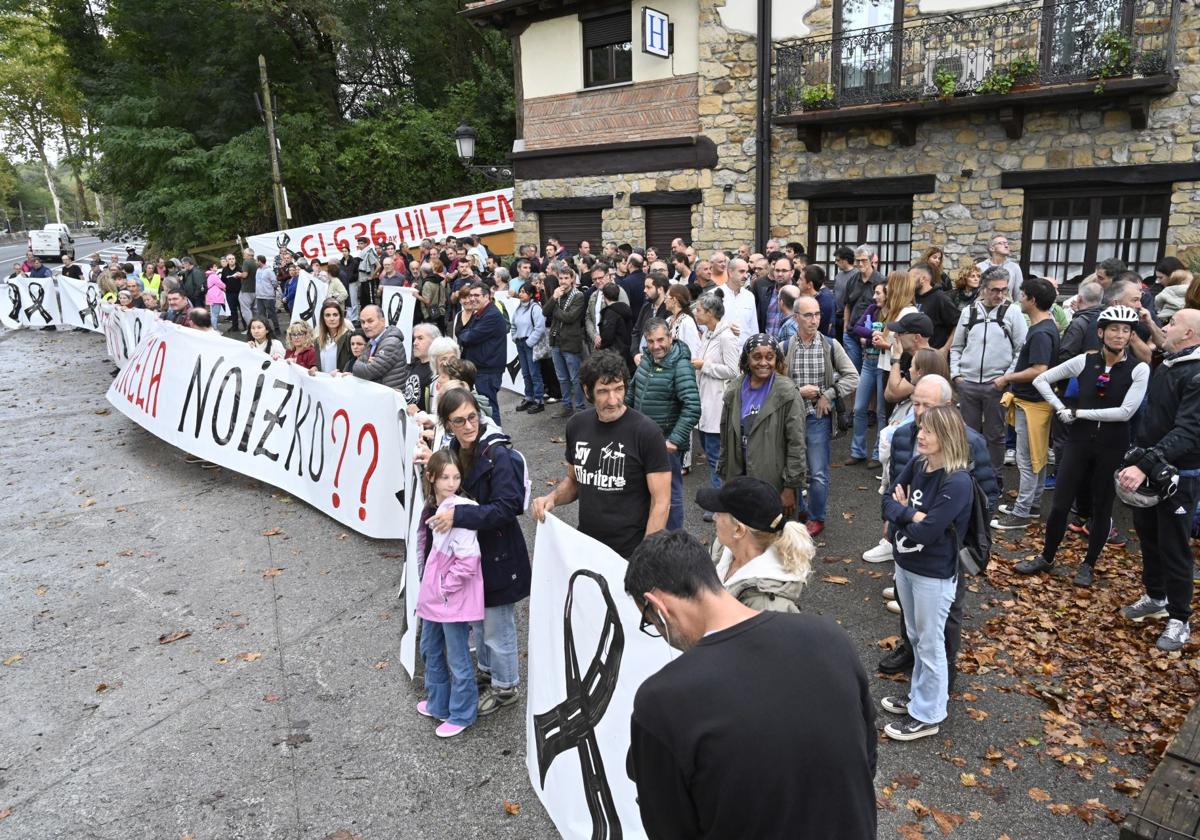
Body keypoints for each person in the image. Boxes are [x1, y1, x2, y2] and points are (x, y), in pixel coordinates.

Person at [625, 529, 876, 840]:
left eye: (650, 623)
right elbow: (865, 758)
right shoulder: (830, 637)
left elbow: (670, 828)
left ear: (658, 607)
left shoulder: (661, 701)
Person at [1013, 306, 1148, 586]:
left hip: (1113, 444)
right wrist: (1060, 406)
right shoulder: (1084, 361)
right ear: (1101, 332)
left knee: (1102, 507)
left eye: (1126, 330)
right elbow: (1041, 379)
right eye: (1113, 329)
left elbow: (1125, 412)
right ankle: (1047, 557)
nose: (1119, 335)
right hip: (1078, 442)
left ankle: (1088, 564)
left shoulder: (1139, 368)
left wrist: (1078, 413)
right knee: (1061, 503)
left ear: (1131, 335)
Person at [426, 388, 531, 714]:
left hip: (499, 556)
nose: (469, 425)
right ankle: (488, 675)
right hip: (473, 558)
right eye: (459, 421)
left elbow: (508, 507)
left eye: (472, 417)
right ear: (447, 424)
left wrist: (459, 515)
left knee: (497, 628)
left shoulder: (496, 454)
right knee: (480, 623)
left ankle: (505, 687)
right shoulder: (456, 449)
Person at [880, 404, 973, 741]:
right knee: (916, 637)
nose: (920, 435)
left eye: (929, 431)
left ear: (946, 436)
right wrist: (909, 513)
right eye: (921, 428)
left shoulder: (957, 481)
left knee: (931, 642)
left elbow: (927, 532)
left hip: (933, 574)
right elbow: (886, 502)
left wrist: (905, 512)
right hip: (905, 566)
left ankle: (929, 714)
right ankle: (920, 699)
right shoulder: (919, 463)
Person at [531, 350, 671, 559]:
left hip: (630, 553)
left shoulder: (647, 432)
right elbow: (574, 481)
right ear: (587, 391)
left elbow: (661, 502)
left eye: (619, 389)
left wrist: (645, 557)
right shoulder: (577, 426)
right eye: (603, 391)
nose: (613, 400)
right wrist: (551, 498)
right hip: (588, 547)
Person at [1117, 309, 1200, 651]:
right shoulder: (1170, 362)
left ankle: (1180, 619)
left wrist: (1146, 463)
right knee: (1149, 538)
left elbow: (1189, 431)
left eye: (1173, 324)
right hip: (1151, 470)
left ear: (1189, 334)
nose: (1165, 327)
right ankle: (1156, 596)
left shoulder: (1196, 374)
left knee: (1175, 547)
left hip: (1179, 476)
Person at [414, 449, 483, 738]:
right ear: (431, 477)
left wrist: (444, 588)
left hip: (450, 600)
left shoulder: (459, 511)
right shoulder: (433, 508)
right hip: (435, 598)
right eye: (445, 477)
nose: (451, 483)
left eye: (455, 477)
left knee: (457, 656)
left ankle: (463, 712)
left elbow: (468, 561)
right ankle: (439, 702)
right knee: (430, 648)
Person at [784, 295, 859, 537]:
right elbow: (775, 385)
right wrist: (798, 392)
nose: (814, 320)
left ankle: (817, 517)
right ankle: (802, 511)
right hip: (791, 418)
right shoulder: (784, 347)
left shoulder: (830, 345)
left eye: (817, 314)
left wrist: (829, 394)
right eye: (808, 315)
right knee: (792, 469)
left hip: (818, 417)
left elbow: (853, 377)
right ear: (795, 318)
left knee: (817, 472)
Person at [992, 278, 1060, 530]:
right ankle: (1031, 506)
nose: (1019, 299)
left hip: (1033, 406)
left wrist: (1006, 378)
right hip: (1033, 403)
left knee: (1028, 459)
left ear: (1032, 300)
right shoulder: (1045, 326)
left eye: (1022, 295)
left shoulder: (1042, 332)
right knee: (1037, 457)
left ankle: (1021, 513)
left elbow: (1039, 369)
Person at [718, 334, 807, 519]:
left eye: (769, 357)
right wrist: (725, 477)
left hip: (773, 482)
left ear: (777, 359)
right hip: (740, 478)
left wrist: (790, 487)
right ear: (747, 359)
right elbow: (725, 440)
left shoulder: (787, 392)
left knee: (774, 539)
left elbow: (796, 444)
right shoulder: (734, 391)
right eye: (757, 357)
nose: (763, 363)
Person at [950, 266, 1028, 474]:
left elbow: (1022, 349)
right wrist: (956, 376)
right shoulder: (969, 312)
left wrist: (1005, 378)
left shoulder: (1013, 312)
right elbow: (957, 346)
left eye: (1003, 290)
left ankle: (994, 476)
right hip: (968, 383)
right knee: (968, 433)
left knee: (995, 435)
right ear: (984, 289)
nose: (999, 294)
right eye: (994, 290)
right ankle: (969, 473)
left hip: (996, 385)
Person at [626, 319, 701, 531]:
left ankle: (674, 543)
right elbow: (632, 393)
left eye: (660, 340)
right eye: (651, 341)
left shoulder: (681, 366)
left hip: (665, 446)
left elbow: (693, 406)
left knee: (670, 497)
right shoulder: (647, 360)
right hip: (640, 443)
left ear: (670, 337)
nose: (656, 346)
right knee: (645, 493)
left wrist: (674, 440)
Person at [699, 477, 815, 612]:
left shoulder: (766, 607)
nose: (714, 517)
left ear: (738, 530)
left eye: (719, 514)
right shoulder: (724, 548)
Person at [692, 291, 741, 513]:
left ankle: (721, 506)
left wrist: (705, 366)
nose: (695, 313)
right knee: (711, 453)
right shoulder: (708, 334)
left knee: (715, 457)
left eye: (699, 310)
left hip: (716, 405)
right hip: (704, 403)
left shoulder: (726, 337)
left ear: (711, 313)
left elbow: (733, 370)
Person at [454, 281, 507, 426]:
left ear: (487, 296)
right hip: (480, 368)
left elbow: (467, 337)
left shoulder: (491, 315)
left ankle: (497, 439)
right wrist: (465, 334)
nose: (472, 299)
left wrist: (464, 333)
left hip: (488, 370)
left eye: (476, 295)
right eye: (471, 295)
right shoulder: (480, 313)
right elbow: (464, 334)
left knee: (489, 407)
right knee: (482, 406)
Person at [848, 280, 887, 465]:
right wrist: (872, 336)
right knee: (858, 408)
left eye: (879, 293)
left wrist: (867, 338)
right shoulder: (872, 309)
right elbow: (857, 328)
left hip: (883, 365)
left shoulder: (894, 314)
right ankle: (858, 451)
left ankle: (879, 454)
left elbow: (889, 341)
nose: (874, 296)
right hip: (868, 363)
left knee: (881, 411)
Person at [543, 265, 588, 417]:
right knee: (562, 377)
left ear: (572, 279)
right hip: (556, 340)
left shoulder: (578, 295)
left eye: (566, 278)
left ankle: (580, 408)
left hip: (570, 341)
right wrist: (554, 298)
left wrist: (555, 309)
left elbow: (570, 317)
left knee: (575, 378)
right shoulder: (557, 294)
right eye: (560, 278)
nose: (563, 281)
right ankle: (567, 406)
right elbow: (544, 311)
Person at [839, 245, 885, 372]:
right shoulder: (852, 280)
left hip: (871, 336)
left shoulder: (881, 281)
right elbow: (847, 305)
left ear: (871, 260)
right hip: (851, 334)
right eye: (857, 260)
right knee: (853, 373)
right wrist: (845, 330)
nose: (860, 263)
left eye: (864, 260)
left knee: (871, 374)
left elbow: (884, 309)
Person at [349, 305, 410, 392]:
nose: (365, 326)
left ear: (382, 321)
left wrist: (361, 365)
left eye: (370, 321)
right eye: (363, 322)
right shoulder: (372, 341)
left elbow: (367, 372)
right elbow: (359, 366)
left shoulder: (392, 343)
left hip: (390, 401)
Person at [510, 283, 546, 414]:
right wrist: (514, 337)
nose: (520, 294)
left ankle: (539, 400)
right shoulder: (519, 308)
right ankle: (529, 397)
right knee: (525, 373)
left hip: (530, 344)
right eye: (520, 291)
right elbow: (513, 323)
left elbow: (540, 327)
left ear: (530, 294)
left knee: (534, 373)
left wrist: (529, 342)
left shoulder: (535, 308)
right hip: (520, 343)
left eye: (524, 292)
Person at [911, 262, 959, 352]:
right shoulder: (912, 297)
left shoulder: (940, 298)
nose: (909, 281)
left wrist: (945, 349)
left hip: (931, 357)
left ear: (923, 279)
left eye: (912, 277)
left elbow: (958, 324)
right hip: (912, 357)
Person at [598, 282, 635, 373]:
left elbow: (607, 336)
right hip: (627, 352)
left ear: (604, 296)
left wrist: (601, 346)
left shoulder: (610, 313)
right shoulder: (626, 309)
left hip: (614, 354)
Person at [632, 272, 669, 359]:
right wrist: (635, 353)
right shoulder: (646, 307)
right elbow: (636, 331)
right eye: (645, 287)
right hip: (641, 359)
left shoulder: (668, 310)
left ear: (660, 289)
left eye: (648, 287)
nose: (644, 290)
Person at [977, 234, 1024, 300]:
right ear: (992, 248)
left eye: (1007, 243)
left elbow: (1018, 294)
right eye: (1001, 243)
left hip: (1007, 307)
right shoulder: (980, 267)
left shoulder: (1014, 267)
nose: (1006, 245)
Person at [316, 300, 353, 373]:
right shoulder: (318, 340)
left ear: (340, 317)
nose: (332, 319)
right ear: (323, 318)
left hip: (342, 382)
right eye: (327, 315)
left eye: (335, 315)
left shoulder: (349, 337)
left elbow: (355, 361)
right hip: (323, 382)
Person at [254, 255, 280, 333]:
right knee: (261, 314)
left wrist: (271, 290)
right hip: (259, 296)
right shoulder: (258, 270)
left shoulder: (269, 270)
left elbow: (274, 282)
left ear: (259, 261)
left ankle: (276, 328)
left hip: (268, 296)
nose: (255, 262)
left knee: (271, 313)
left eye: (256, 261)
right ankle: (266, 329)